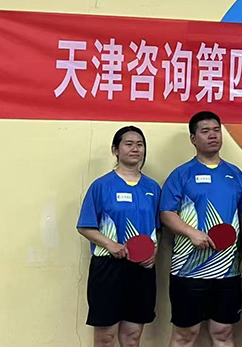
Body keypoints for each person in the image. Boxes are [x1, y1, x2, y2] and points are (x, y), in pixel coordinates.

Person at [159, 111, 242, 347]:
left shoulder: (235, 174)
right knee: (185, 334)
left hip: (228, 270)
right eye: (205, 131)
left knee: (223, 332)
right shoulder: (181, 174)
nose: (212, 135)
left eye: (216, 130)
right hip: (187, 271)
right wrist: (192, 233)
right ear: (193, 138)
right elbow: (167, 213)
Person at [77, 126, 161, 347]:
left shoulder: (152, 188)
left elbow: (157, 229)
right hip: (108, 268)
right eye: (129, 144)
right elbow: (85, 226)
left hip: (142, 269)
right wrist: (110, 244)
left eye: (140, 145)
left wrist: (154, 252)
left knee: (132, 337)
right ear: (115, 150)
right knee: (106, 338)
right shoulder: (101, 186)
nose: (135, 149)